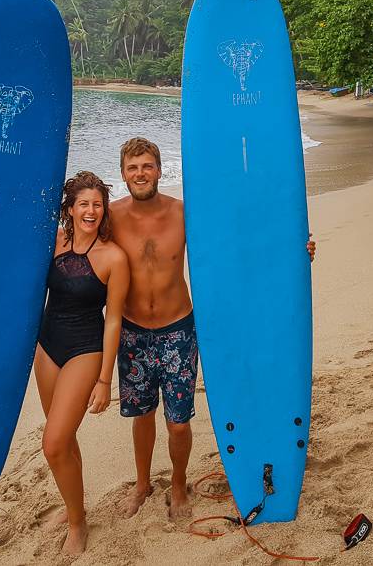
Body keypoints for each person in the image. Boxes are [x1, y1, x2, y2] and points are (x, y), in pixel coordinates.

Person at [110, 137, 315, 520]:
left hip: (178, 330)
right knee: (142, 416)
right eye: (133, 167)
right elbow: (78, 245)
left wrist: (295, 247)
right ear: (122, 173)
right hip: (133, 333)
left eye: (147, 166)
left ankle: (177, 481)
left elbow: (237, 240)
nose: (140, 173)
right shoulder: (111, 217)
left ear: (159, 170)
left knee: (178, 420)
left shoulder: (182, 214)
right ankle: (141, 484)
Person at [33, 171, 129, 556]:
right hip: (47, 346)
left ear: (103, 209)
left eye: (97, 204)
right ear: (69, 209)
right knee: (65, 437)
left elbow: (114, 319)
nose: (91, 211)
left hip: (85, 350)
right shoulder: (52, 242)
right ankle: (75, 504)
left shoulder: (113, 257)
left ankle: (77, 523)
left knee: (53, 443)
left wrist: (105, 379)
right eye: (83, 204)